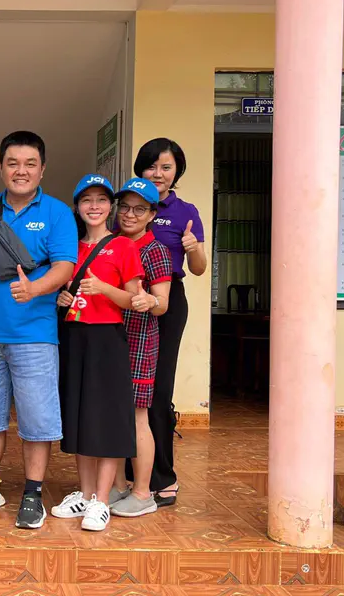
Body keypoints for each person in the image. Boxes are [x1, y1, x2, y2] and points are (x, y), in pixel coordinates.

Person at [0, 131, 77, 530]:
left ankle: (33, 493)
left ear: (42, 169)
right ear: (1, 167)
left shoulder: (57, 213)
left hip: (35, 336)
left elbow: (64, 267)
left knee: (37, 420)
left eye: (29, 164)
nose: (20, 171)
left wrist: (35, 288)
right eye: (12, 163)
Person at [53, 174, 143, 532]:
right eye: (87, 200)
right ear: (77, 206)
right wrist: (63, 299)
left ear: (111, 207)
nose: (94, 206)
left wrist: (104, 287)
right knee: (79, 417)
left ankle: (103, 500)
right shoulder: (68, 247)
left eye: (101, 200)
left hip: (107, 339)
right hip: (75, 337)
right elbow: (64, 292)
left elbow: (134, 301)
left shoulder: (123, 246)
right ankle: (86, 494)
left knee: (105, 420)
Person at [134, 138, 206, 507]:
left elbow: (197, 269)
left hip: (168, 301)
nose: (158, 174)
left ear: (177, 170)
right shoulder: (128, 207)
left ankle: (164, 477)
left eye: (166, 167)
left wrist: (194, 248)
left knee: (158, 391)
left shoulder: (185, 211)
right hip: (128, 300)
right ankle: (133, 471)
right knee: (130, 389)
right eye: (151, 166)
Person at [107, 178, 172, 518]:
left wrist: (149, 299)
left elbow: (163, 304)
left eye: (139, 209)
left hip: (139, 342)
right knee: (114, 416)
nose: (130, 214)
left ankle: (144, 492)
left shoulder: (155, 251)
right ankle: (118, 486)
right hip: (110, 341)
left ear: (151, 214)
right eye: (125, 207)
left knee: (136, 417)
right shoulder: (113, 244)